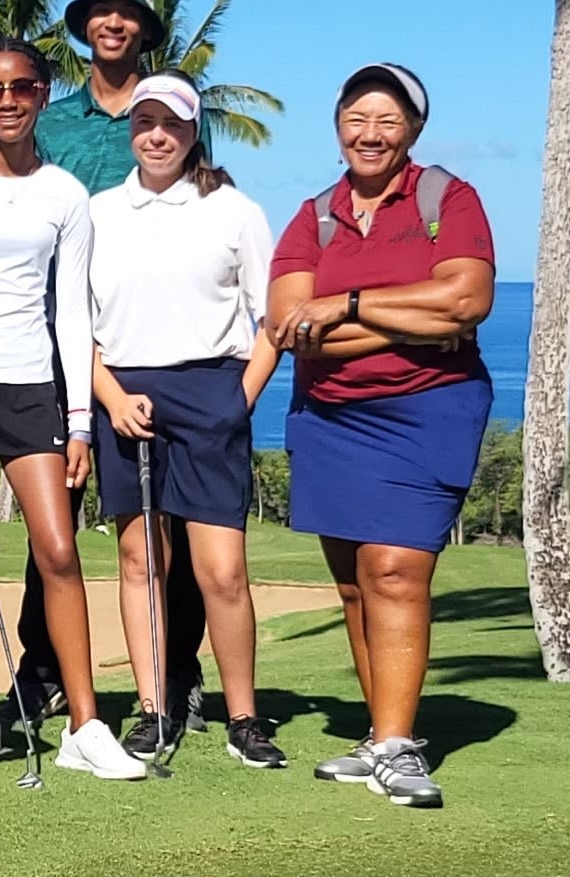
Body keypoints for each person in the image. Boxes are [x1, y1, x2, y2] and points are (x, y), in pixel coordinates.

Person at [0, 38, 145, 781]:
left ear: (43, 95)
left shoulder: (66, 195)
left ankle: (84, 724)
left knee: (59, 550)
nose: (5, 101)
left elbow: (72, 314)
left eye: (20, 88)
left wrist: (79, 422)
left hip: (31, 382)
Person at [268, 63, 494, 809]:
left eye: (388, 121)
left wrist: (349, 304)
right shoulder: (314, 215)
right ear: (338, 127)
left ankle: (398, 747)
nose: (371, 134)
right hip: (331, 418)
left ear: (414, 132)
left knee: (396, 568)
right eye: (358, 119)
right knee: (354, 585)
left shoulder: (446, 199)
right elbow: (291, 329)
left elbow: (466, 302)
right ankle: (377, 734)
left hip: (428, 410)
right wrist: (413, 325)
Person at [13, 0, 208, 736]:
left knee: (173, 521)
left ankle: (178, 674)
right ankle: (44, 668)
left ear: (146, 31)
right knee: (49, 511)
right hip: (56, 337)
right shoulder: (52, 121)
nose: (114, 25)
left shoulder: (172, 112)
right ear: (85, 26)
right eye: (102, 13)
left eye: (129, 15)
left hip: (148, 336)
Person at [89, 73, 285, 768]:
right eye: (144, 123)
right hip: (126, 395)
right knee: (141, 560)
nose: (156, 136)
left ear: (193, 130)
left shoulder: (234, 210)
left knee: (222, 570)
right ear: (131, 130)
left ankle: (244, 716)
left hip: (212, 391)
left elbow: (273, 321)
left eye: (170, 123)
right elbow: (76, 327)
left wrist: (241, 399)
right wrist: (108, 396)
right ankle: (152, 709)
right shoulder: (100, 213)